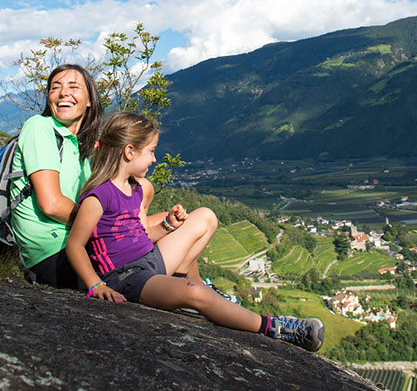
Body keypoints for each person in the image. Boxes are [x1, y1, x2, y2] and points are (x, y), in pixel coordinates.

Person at [66, 111, 325, 352]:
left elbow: (141, 236)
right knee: (194, 290)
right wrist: (95, 285)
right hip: (126, 279)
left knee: (205, 217)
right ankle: (274, 328)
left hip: (150, 262)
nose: (155, 159)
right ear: (130, 151)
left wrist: (168, 226)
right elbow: (75, 246)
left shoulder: (135, 188)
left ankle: (181, 288)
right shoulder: (98, 197)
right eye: (152, 151)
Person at [9, 64, 104, 289]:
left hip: (73, 244)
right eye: (55, 87)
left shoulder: (76, 146)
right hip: (52, 252)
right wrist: (108, 227)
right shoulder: (39, 127)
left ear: (89, 99)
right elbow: (51, 204)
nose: (63, 93)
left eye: (73, 86)